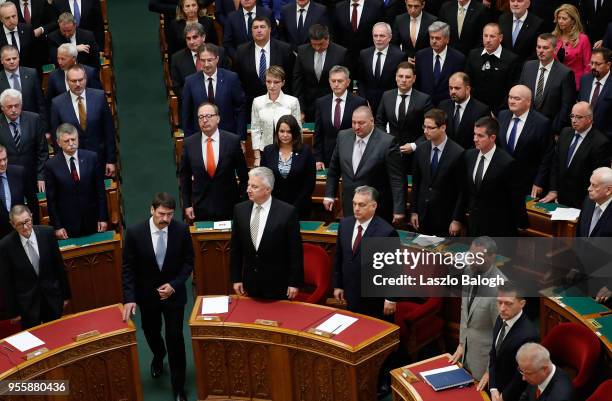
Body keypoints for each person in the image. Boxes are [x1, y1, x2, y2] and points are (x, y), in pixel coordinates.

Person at [122, 192, 193, 401]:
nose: (166, 219)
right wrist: (129, 297)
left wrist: (174, 285)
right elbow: (127, 268)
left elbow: (188, 262)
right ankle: (158, 354)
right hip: (147, 296)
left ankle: (178, 385)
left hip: (174, 295)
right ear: (152, 210)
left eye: (170, 214)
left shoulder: (181, 230)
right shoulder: (135, 233)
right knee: (151, 331)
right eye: (162, 214)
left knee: (175, 338)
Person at [230, 166, 304, 300]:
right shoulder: (239, 210)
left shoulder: (287, 212)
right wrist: (236, 278)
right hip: (250, 285)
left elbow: (295, 251)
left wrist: (294, 282)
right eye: (248, 185)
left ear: (268, 189)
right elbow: (236, 249)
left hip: (278, 285)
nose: (248, 190)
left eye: (254, 187)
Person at [324, 106, 405, 224]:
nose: (356, 127)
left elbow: (397, 178)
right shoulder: (343, 137)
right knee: (352, 241)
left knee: (377, 242)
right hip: (350, 205)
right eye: (354, 122)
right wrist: (329, 195)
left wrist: (398, 209)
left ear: (372, 122)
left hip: (377, 208)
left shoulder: (387, 142)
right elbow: (333, 170)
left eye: (361, 123)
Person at [0, 204, 71, 329]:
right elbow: (7, 281)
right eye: (19, 224)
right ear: (12, 224)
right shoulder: (6, 245)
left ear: (31, 216)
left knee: (57, 335)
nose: (25, 227)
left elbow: (59, 266)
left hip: (52, 298)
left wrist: (65, 295)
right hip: (27, 304)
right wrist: (13, 311)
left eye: (27, 221)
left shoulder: (47, 233)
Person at [333, 185, 398, 316]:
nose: (356, 208)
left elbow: (394, 270)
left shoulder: (386, 232)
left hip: (374, 299)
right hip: (351, 292)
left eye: (361, 205)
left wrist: (391, 298)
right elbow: (339, 257)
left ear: (373, 206)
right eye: (354, 204)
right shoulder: (345, 224)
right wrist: (338, 285)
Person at [449, 237, 505, 386]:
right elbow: (464, 311)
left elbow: (501, 335)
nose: (472, 260)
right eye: (471, 255)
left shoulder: (499, 288)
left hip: (484, 360)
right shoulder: (468, 271)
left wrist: (490, 370)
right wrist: (461, 343)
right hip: (465, 352)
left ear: (491, 257)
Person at [180, 102, 248, 221]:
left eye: (208, 116)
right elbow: (184, 176)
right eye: (201, 117)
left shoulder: (232, 141)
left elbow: (243, 176)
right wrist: (187, 204)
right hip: (200, 207)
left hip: (230, 206)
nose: (204, 120)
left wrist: (242, 203)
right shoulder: (189, 143)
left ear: (218, 118)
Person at [462, 116, 527, 236]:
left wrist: (521, 223)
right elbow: (465, 190)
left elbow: (516, 198)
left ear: (492, 138)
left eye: (480, 136)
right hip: (474, 224)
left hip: (498, 227)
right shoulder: (469, 156)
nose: (475, 139)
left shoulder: (507, 163)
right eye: (474, 134)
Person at [540, 102, 611, 209]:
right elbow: (556, 164)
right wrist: (554, 189)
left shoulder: (600, 143)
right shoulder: (565, 133)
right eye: (572, 116)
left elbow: (596, 178)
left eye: (579, 117)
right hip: (558, 198)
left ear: (590, 119)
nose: (574, 120)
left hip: (581, 201)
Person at [50, 64, 116, 177]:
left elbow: (108, 130)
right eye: (73, 81)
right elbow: (57, 138)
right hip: (73, 161)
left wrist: (111, 160)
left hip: (99, 158)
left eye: (80, 80)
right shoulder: (57, 104)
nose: (78, 84)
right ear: (67, 81)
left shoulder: (99, 97)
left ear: (86, 79)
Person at [45, 123, 107, 239]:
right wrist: (57, 226)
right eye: (66, 141)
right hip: (68, 225)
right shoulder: (51, 165)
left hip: (93, 221)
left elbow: (100, 191)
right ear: (58, 143)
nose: (71, 143)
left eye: (73, 139)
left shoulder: (92, 158)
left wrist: (103, 218)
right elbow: (51, 200)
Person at [410, 108, 464, 236]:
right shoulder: (421, 149)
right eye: (424, 126)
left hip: (445, 217)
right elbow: (416, 182)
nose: (425, 131)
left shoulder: (458, 153)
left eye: (430, 128)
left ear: (443, 127)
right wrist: (414, 211)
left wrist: (456, 219)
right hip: (422, 216)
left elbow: (462, 191)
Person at [375, 61, 433, 173]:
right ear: (396, 77)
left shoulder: (424, 99)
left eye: (408, 77)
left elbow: (430, 128)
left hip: (415, 155)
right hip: (390, 152)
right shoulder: (387, 96)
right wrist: (386, 141)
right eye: (400, 76)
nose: (404, 80)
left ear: (414, 78)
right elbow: (379, 122)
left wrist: (414, 145)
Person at [497, 85, 552, 198]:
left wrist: (539, 181)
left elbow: (547, 155)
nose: (512, 101)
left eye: (517, 99)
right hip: (502, 179)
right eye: (510, 97)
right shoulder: (502, 115)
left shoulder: (541, 123)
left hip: (527, 182)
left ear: (528, 102)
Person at [181, 43, 246, 138]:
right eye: (203, 60)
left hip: (228, 136)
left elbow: (240, 109)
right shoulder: (190, 82)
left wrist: (241, 138)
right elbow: (186, 113)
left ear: (217, 59)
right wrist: (189, 141)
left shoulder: (231, 78)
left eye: (210, 60)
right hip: (200, 137)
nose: (206, 64)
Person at [488, 283, 539, 401]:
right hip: (495, 388)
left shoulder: (529, 335)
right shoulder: (501, 318)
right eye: (499, 302)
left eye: (508, 303)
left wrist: (504, 396)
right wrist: (493, 387)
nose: (502, 308)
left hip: (514, 395)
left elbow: (521, 374)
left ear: (522, 304)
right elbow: (493, 354)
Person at [233, 16, 293, 112]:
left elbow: (290, 78)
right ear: (251, 31)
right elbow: (237, 78)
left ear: (269, 29)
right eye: (255, 28)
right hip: (250, 106)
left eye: (262, 27)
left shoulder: (284, 49)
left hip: (280, 104)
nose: (259, 30)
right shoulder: (241, 51)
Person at [519, 33, 576, 135]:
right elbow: (520, 95)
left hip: (550, 129)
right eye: (539, 47)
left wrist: (556, 130)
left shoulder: (565, 73)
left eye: (545, 48)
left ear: (555, 50)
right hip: (525, 125)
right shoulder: (528, 66)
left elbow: (566, 106)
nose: (541, 51)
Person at [261, 114, 315, 218]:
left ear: (295, 133)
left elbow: (309, 183)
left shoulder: (305, 151)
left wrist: (295, 206)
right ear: (277, 132)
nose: (285, 135)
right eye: (282, 131)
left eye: (289, 131)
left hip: (299, 207)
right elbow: (264, 180)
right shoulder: (268, 151)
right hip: (273, 207)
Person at [314, 65, 367, 169]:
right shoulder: (321, 102)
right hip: (327, 158)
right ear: (329, 82)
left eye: (340, 81)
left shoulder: (359, 102)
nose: (336, 84)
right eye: (333, 81)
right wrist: (318, 158)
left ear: (348, 82)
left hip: (353, 156)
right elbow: (318, 133)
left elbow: (364, 132)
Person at [0, 88, 47, 206]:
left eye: (16, 105)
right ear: (2, 107)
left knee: (35, 210)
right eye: (9, 107)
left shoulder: (34, 119)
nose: (13, 110)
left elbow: (42, 150)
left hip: (33, 176)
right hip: (8, 178)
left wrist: (41, 176)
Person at [293, 24, 347, 121]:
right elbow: (297, 82)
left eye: (321, 44)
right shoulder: (302, 51)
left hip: (332, 105)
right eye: (314, 44)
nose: (317, 48)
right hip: (308, 106)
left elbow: (345, 83)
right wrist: (300, 109)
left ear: (327, 39)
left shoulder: (340, 53)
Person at [251, 65, 301, 165]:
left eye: (276, 82)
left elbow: (298, 129)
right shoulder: (257, 102)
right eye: (268, 82)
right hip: (264, 151)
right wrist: (257, 157)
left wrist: (297, 153)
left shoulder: (292, 101)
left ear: (283, 83)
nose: (272, 86)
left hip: (288, 150)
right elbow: (255, 129)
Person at [465, 23, 520, 114]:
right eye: (485, 36)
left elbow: (511, 89)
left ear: (500, 38)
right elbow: (467, 82)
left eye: (492, 36)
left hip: (498, 110)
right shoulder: (473, 54)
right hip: (473, 108)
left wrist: (499, 112)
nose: (488, 40)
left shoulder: (511, 59)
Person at [577, 167, 612, 303]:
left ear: (608, 190)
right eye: (590, 183)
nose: (588, 188)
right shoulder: (588, 201)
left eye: (594, 186)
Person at [170, 23, 228, 100]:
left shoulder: (219, 52)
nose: (191, 42)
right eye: (188, 38)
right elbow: (177, 87)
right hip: (192, 105)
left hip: (219, 100)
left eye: (195, 37)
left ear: (203, 37)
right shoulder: (177, 58)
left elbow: (227, 78)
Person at [357, 22, 405, 113]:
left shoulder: (399, 56)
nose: (378, 39)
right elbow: (359, 80)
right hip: (367, 103)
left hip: (390, 103)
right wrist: (362, 100)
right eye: (375, 36)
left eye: (382, 36)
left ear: (390, 37)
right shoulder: (364, 54)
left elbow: (399, 82)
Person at [415, 21, 466, 106]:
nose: (434, 41)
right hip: (424, 105)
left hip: (448, 106)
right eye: (432, 38)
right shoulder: (421, 56)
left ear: (447, 39)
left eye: (438, 38)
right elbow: (418, 83)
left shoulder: (458, 58)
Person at [439, 71, 490, 150]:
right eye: (450, 88)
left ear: (467, 89)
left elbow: (482, 140)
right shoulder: (443, 106)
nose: (453, 91)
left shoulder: (481, 110)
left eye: (457, 88)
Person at [0, 45, 47, 130]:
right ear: (2, 61)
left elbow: (40, 103)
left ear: (19, 58)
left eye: (14, 58)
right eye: (8, 59)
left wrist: (44, 127)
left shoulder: (31, 73)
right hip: (7, 127)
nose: (12, 61)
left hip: (33, 124)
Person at [332, 0, 384, 74]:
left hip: (369, 59)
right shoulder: (339, 7)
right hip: (346, 60)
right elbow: (335, 34)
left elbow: (382, 30)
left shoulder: (376, 6)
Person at [551, 4, 590, 91]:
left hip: (575, 85)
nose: (560, 21)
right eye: (559, 18)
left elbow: (588, 66)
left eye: (564, 18)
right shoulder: (553, 37)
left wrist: (583, 87)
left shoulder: (583, 39)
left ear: (573, 21)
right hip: (555, 83)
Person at [579, 48, 612, 140]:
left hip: (606, 138)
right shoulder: (585, 80)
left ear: (608, 65)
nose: (593, 67)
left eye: (597, 64)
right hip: (583, 135)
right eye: (591, 63)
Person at [0, 144, 28, 238]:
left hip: (21, 230)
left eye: (4, 159)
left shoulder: (19, 172)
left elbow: (33, 202)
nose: (3, 163)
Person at [0, 2, 36, 69]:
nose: (11, 20)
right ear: (1, 19)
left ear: (17, 15)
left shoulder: (27, 29)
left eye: (14, 16)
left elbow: (34, 55)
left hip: (26, 74)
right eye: (7, 18)